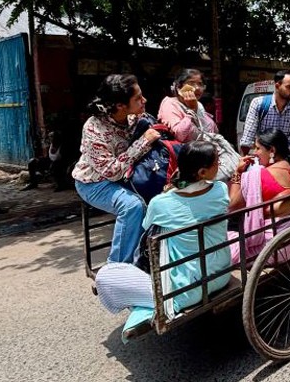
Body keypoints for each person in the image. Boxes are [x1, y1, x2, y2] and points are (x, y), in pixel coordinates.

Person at [94, 141, 231, 341]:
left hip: (188, 289)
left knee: (106, 275)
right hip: (222, 273)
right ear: (201, 173)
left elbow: (146, 226)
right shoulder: (220, 190)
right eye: (216, 162)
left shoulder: (161, 203)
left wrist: (169, 191)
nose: (219, 166)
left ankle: (144, 296)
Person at [73, 74, 161, 264]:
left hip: (126, 176)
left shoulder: (135, 117)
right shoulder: (94, 128)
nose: (144, 101)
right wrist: (143, 142)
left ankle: (146, 258)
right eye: (138, 98)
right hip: (95, 183)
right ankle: (117, 271)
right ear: (120, 105)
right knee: (133, 206)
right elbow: (111, 172)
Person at [229, 128, 290, 255]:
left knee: (224, 244)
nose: (255, 153)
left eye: (257, 148)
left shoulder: (259, 176)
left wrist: (238, 172)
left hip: (274, 248)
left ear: (272, 151)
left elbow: (233, 205)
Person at [157, 68, 218, 143]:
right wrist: (191, 110)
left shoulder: (199, 105)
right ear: (179, 87)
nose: (197, 88)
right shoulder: (170, 104)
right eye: (191, 83)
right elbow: (179, 135)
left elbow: (212, 131)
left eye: (200, 84)